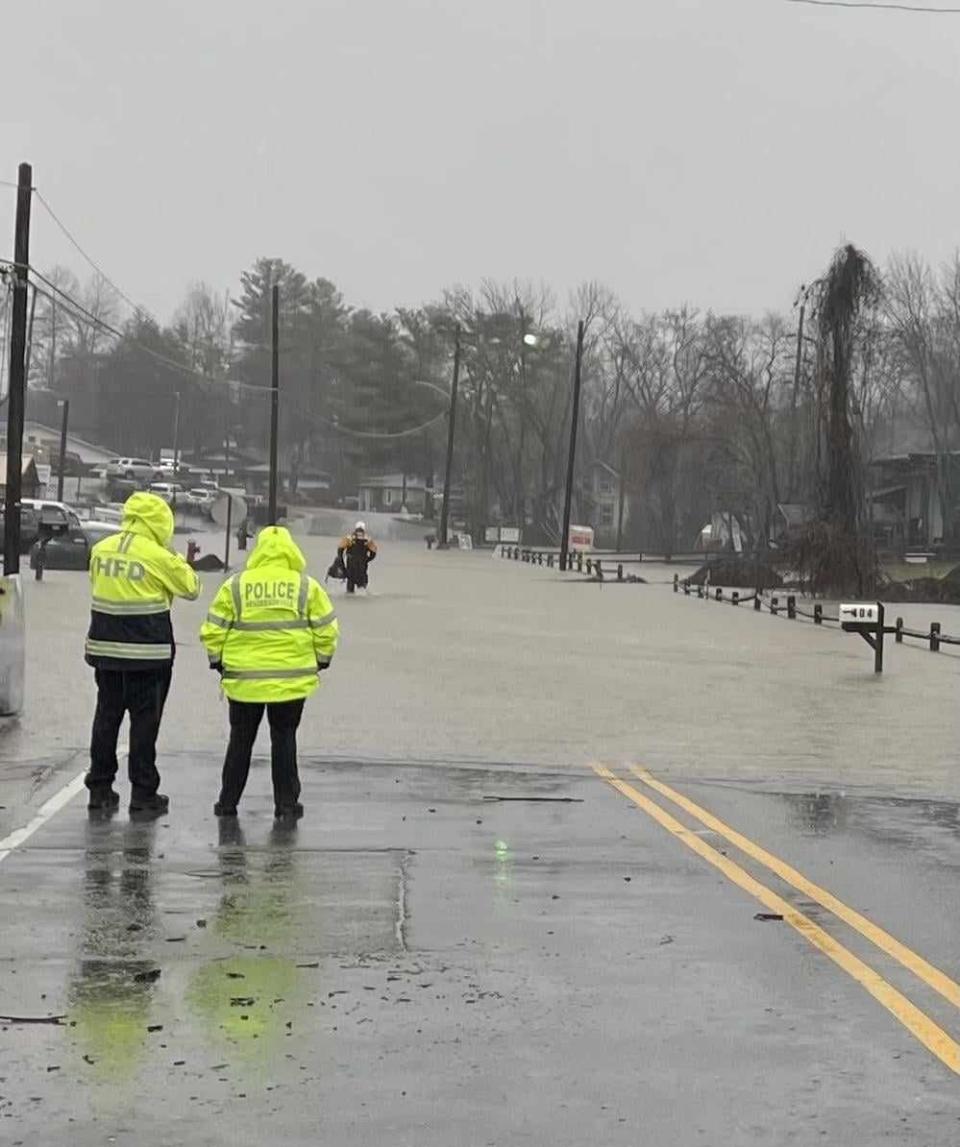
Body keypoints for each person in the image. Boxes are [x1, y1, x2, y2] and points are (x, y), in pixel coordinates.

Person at [199, 525, 339, 821]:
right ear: (292, 551)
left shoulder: (236, 585)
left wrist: (218, 662)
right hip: (291, 682)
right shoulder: (307, 586)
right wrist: (321, 661)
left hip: (243, 681)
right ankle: (286, 805)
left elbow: (213, 629)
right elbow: (327, 629)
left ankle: (227, 803)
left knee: (240, 740)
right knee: (284, 739)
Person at [85, 491, 200, 816]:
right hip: (148, 656)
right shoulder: (157, 556)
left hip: (104, 652)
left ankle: (100, 789)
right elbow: (192, 587)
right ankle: (143, 793)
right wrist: (175, 558)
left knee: (106, 720)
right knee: (144, 725)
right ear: (160, 523)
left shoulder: (100, 550)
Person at [337, 521, 377, 594]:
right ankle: (362, 596)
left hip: (351, 563)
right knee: (362, 583)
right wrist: (367, 560)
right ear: (364, 529)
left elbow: (340, 550)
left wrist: (341, 562)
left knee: (350, 581)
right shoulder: (368, 539)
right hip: (362, 564)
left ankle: (350, 595)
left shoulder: (349, 538)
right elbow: (373, 553)